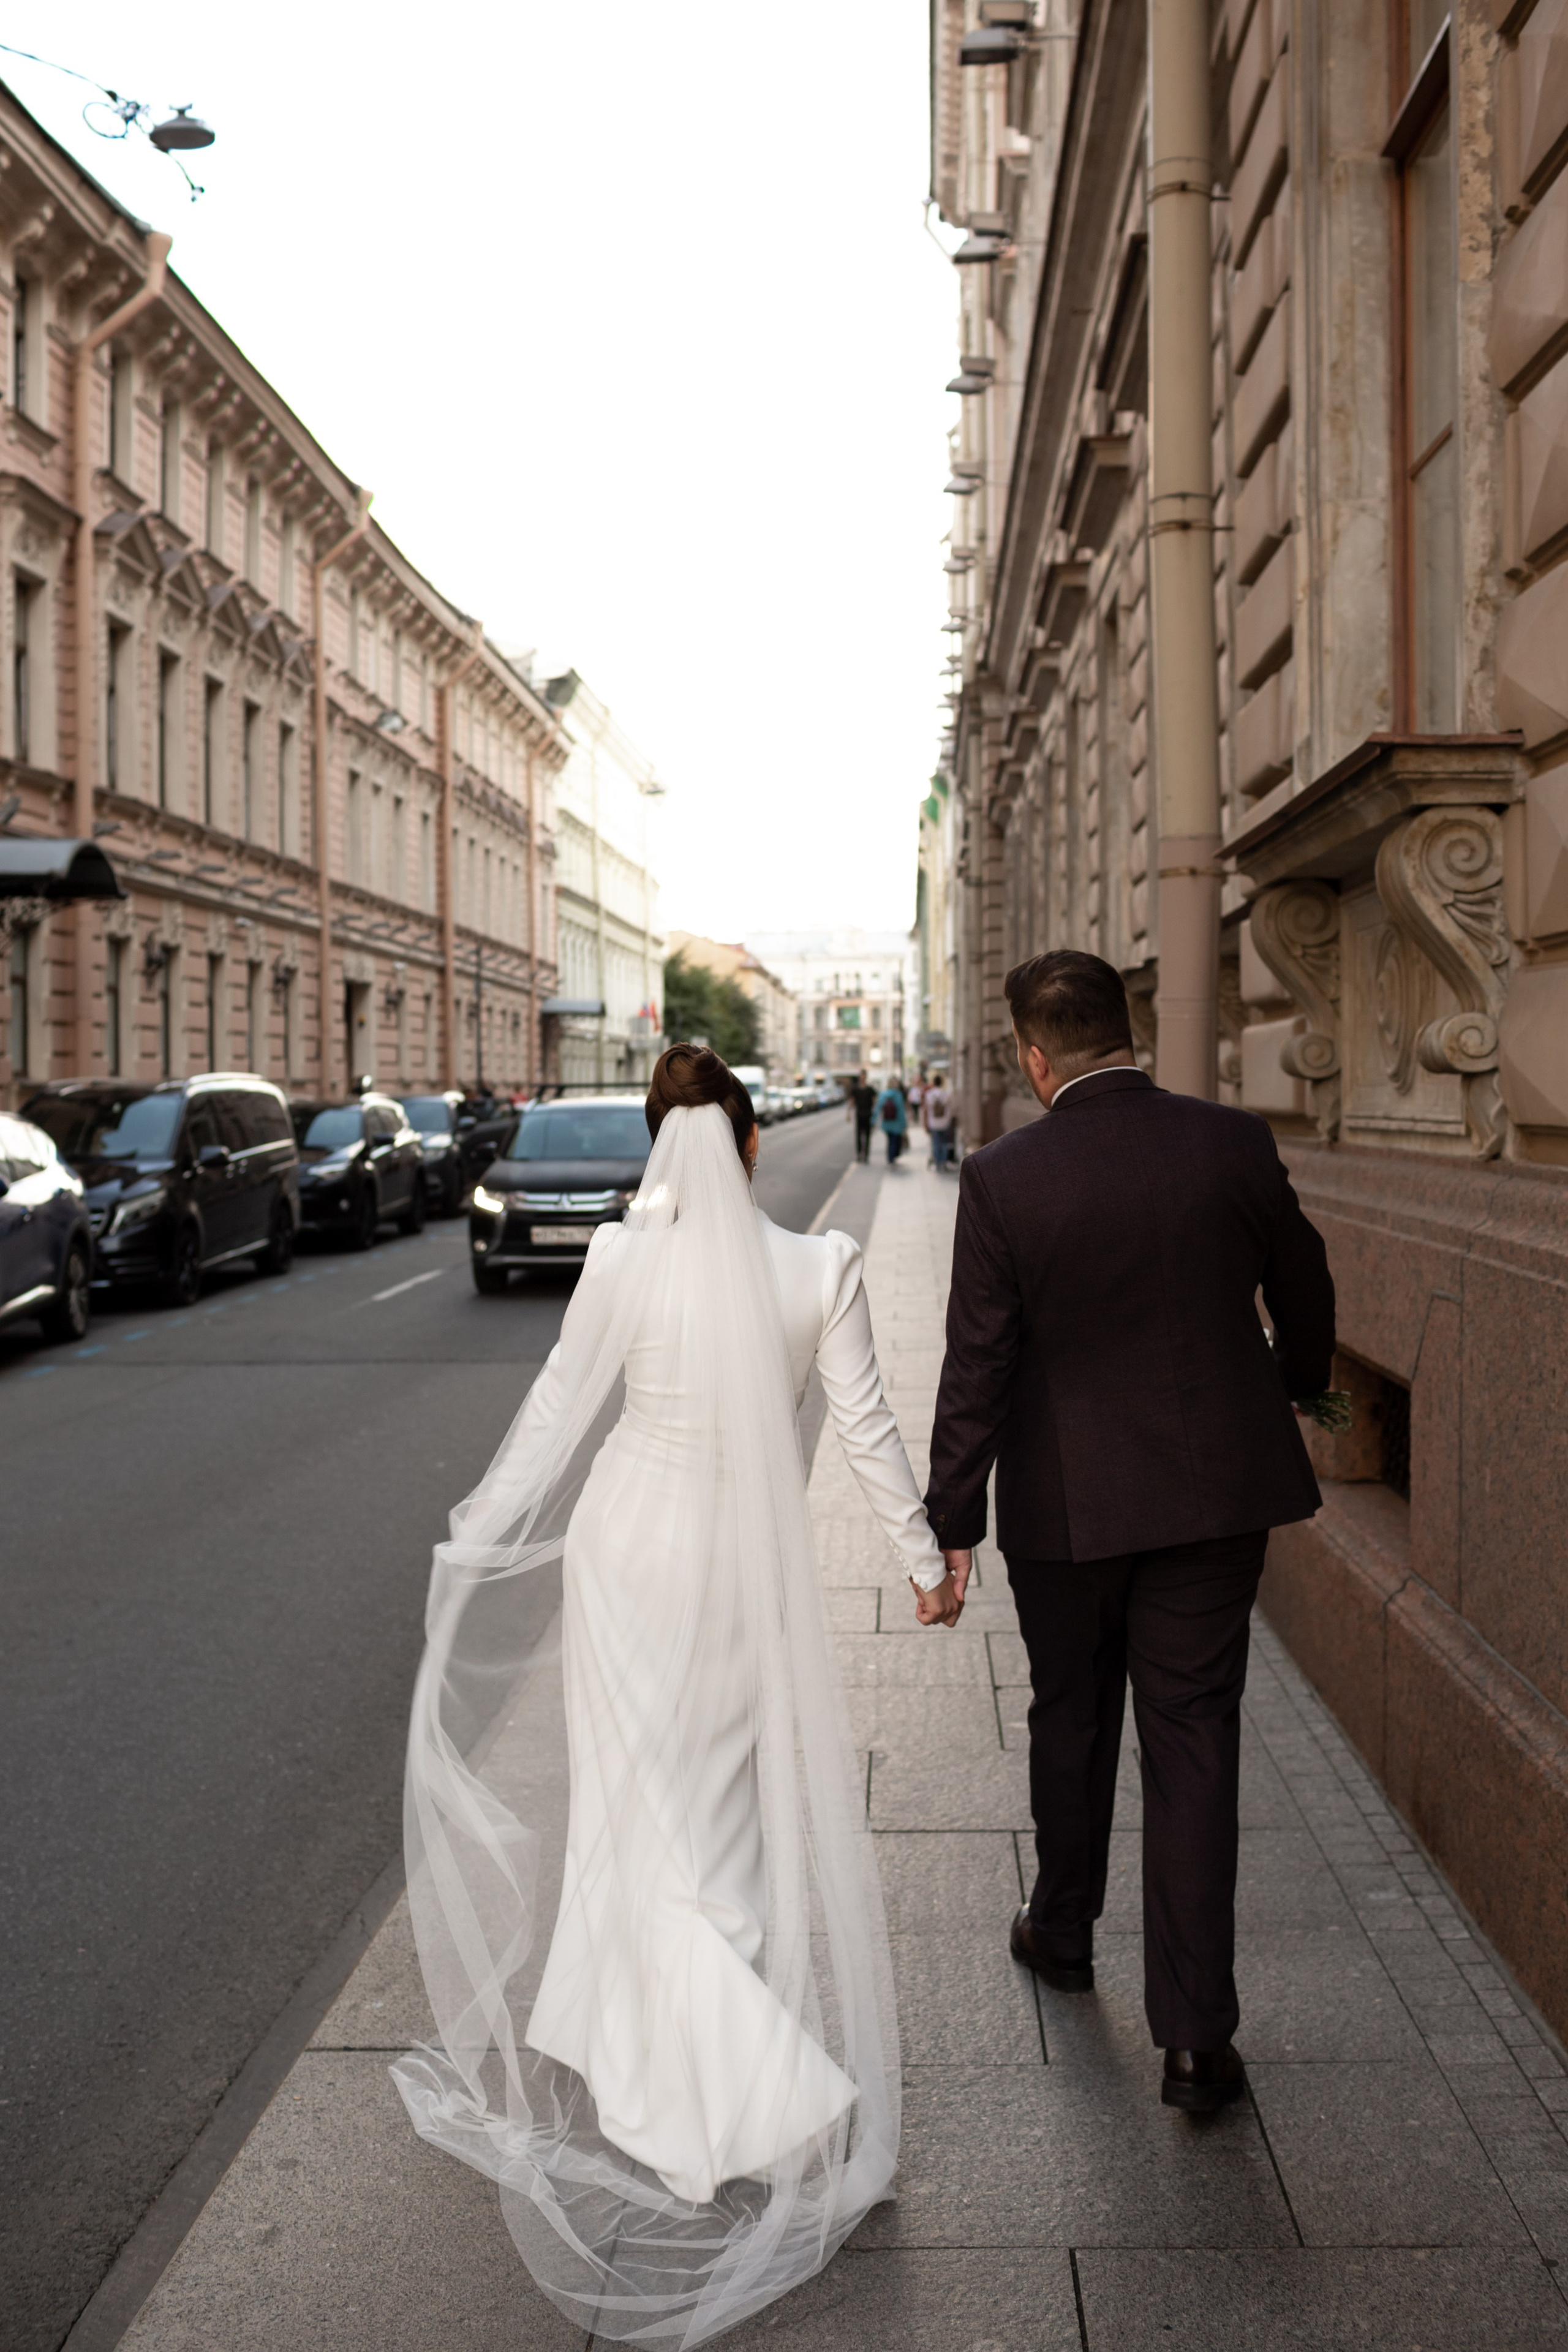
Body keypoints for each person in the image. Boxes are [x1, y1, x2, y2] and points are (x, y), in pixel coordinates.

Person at [396, 1045, 960, 2342]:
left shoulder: (614, 1261)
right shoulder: (817, 1269)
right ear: (751, 1145)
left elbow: (554, 1409)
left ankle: (658, 2059)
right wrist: (922, 1566)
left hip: (624, 1544)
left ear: (660, 1148)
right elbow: (868, 1435)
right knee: (718, 1817)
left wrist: (479, 1529)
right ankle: (724, 2068)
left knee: (633, 1803)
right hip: (734, 1563)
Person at [923, 950, 1335, 2116]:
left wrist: (950, 1520)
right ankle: (1198, 2039)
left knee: (1073, 1711)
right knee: (1195, 1738)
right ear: (1128, 1028)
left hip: (1066, 1505)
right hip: (1214, 1496)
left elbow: (978, 1367)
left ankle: (1061, 1928)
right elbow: (1304, 1286)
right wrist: (1294, 1383)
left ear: (1031, 1054)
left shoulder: (1005, 1177)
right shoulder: (1230, 1142)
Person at [922, 1072, 954, 1172]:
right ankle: (943, 1163)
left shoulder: (929, 1095)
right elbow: (950, 1108)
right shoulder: (946, 1094)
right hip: (945, 1122)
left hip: (934, 1123)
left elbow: (926, 1110)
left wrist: (926, 1123)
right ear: (942, 1083)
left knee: (936, 1143)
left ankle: (937, 1163)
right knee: (945, 1143)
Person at [873, 1077, 907, 1166]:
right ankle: (892, 1158)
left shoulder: (883, 1095)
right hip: (897, 1123)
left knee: (890, 1141)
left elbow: (878, 1108)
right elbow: (901, 1111)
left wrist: (873, 1121)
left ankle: (890, 1157)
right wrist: (904, 1124)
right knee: (895, 1141)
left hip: (887, 1123)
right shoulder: (898, 1095)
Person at [850, 1069, 876, 1162]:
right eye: (861, 1076)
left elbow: (874, 1102)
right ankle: (859, 1154)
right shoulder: (855, 1089)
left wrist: (875, 1114)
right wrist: (848, 1113)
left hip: (868, 1114)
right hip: (859, 1114)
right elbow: (852, 1101)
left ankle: (866, 1156)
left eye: (864, 1076)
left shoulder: (870, 1089)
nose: (862, 1077)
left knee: (868, 1136)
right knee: (859, 1136)